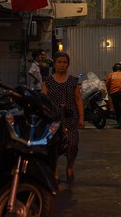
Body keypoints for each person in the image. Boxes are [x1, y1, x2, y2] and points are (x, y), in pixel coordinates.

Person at [42, 51, 84, 184]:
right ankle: (54, 170)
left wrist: (81, 117)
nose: (62, 65)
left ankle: (70, 166)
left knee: (72, 144)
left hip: (70, 118)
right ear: (54, 64)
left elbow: (78, 99)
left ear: (68, 65)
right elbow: (43, 99)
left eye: (64, 62)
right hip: (53, 119)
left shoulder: (73, 81)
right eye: (59, 62)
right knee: (53, 146)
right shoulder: (47, 81)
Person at [106, 62, 121, 129]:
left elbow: (107, 84)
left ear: (114, 69)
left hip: (113, 94)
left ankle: (119, 123)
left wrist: (109, 90)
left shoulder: (111, 75)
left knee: (116, 109)